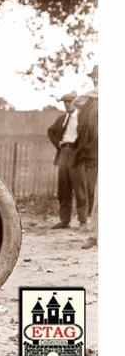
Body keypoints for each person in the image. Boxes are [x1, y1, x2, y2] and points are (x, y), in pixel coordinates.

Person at [46, 91, 87, 229]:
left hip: (77, 153)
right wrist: (59, 143)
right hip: (63, 153)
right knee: (63, 188)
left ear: (75, 103)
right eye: (65, 102)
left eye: (69, 102)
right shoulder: (62, 119)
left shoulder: (82, 118)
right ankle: (65, 220)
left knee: (79, 187)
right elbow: (50, 131)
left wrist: (81, 149)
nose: (67, 105)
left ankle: (83, 220)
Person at [73, 65, 98, 249]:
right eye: (94, 79)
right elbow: (77, 102)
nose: (96, 82)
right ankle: (95, 235)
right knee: (97, 195)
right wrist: (94, 93)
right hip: (95, 151)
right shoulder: (91, 100)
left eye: (99, 79)